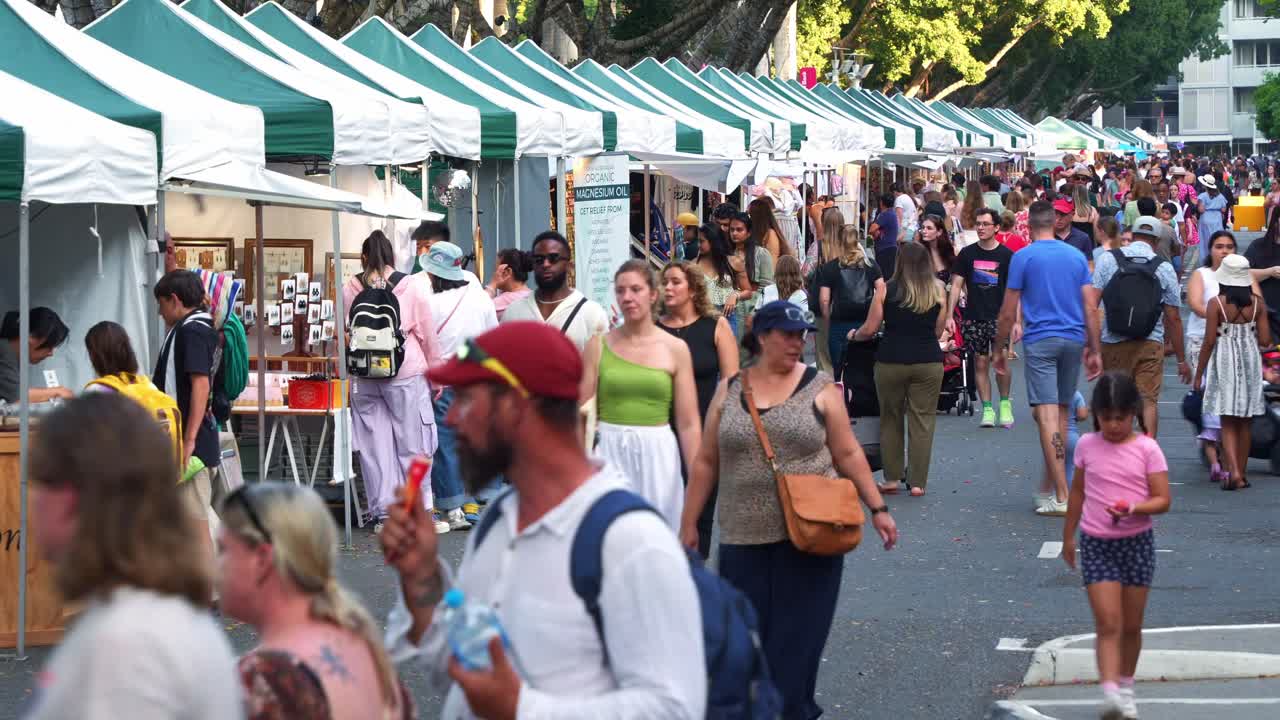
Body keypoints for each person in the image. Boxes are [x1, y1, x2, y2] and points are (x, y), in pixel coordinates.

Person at [379, 322, 706, 719]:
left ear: (516, 405)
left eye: (466, 399)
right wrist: (422, 577)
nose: (451, 420)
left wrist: (523, 709)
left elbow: (675, 708)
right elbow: (461, 671)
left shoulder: (632, 543)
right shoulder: (497, 520)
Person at [680, 301, 898, 719]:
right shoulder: (730, 389)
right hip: (743, 542)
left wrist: (878, 507)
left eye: (802, 335)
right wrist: (690, 522)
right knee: (748, 652)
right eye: (788, 334)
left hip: (811, 540)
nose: (798, 343)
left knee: (795, 655)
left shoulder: (819, 388)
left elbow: (848, 451)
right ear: (762, 337)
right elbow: (707, 460)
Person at [23, 394, 242, 719]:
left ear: (71, 499)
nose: (32, 501)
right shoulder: (147, 617)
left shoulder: (125, 644)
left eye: (38, 484)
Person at [219, 484, 413, 720]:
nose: (213, 564)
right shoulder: (364, 646)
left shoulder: (264, 679)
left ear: (261, 559)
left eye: (223, 550)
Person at [1062, 372, 1171, 720]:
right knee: (1108, 622)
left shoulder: (1146, 449)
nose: (1113, 425)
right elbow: (1078, 491)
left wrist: (1134, 508)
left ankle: (1125, 687)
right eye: (1106, 418)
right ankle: (1109, 693)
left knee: (1131, 626)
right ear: (1096, 414)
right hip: (1096, 543)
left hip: (1137, 543)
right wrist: (1068, 535)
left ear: (1133, 413)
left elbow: (1163, 500)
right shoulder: (1087, 446)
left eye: (1120, 418)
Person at [995, 201, 1103, 517]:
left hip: (1040, 340)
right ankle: (1055, 486)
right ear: (1055, 223)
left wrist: (1000, 349)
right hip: (1072, 338)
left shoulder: (1023, 257)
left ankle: (1062, 492)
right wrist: (1094, 349)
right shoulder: (1075, 256)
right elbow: (1090, 306)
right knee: (1063, 412)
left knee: (1046, 417)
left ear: (1028, 227)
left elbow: (1007, 310)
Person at [580, 260, 702, 529]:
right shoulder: (598, 345)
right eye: (621, 290)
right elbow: (580, 413)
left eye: (635, 289)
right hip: (610, 450)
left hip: (658, 452)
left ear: (653, 294)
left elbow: (689, 424)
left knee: (658, 536)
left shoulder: (675, 348)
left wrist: (696, 485)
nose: (627, 297)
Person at [343, 231, 441, 532]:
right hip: (404, 372)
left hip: (364, 377)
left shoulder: (351, 286)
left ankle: (384, 513)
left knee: (376, 446)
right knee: (413, 443)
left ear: (363, 257)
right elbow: (426, 332)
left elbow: (345, 333)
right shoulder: (409, 285)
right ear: (393, 257)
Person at [852, 242, 947, 497]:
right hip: (928, 360)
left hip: (891, 359)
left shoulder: (886, 290)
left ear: (900, 262)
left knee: (890, 418)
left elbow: (870, 328)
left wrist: (854, 335)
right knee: (923, 420)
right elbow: (939, 330)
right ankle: (917, 482)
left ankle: (892, 478)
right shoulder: (938, 290)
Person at [657, 260, 739, 557]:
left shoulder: (714, 326)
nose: (667, 287)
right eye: (664, 282)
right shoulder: (652, 328)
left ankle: (694, 573)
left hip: (705, 431)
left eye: (675, 282)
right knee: (665, 509)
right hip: (659, 432)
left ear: (692, 289)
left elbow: (730, 383)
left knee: (701, 509)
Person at [1086, 216, 1187, 439]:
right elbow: (1173, 317)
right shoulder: (1164, 268)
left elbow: (1092, 306)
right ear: (1157, 239)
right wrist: (1181, 359)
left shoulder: (1108, 260)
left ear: (1131, 234)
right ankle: (1147, 454)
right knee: (1147, 400)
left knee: (1115, 398)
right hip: (1149, 342)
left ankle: (1113, 454)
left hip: (1113, 341)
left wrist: (1092, 346)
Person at [425, 241, 499, 531]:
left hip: (445, 377)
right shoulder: (480, 297)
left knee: (445, 441)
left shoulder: (430, 303)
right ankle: (476, 499)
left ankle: (453, 506)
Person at [152, 270, 222, 551]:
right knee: (194, 520)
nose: (159, 312)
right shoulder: (204, 327)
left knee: (196, 523)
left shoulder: (191, 330)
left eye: (161, 304)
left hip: (191, 442)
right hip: (199, 436)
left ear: (174, 300)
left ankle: (208, 589)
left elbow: (200, 384)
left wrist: (189, 438)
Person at [1195, 254, 1272, 491]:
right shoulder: (1258, 303)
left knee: (1227, 420)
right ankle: (1242, 472)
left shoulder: (1216, 304)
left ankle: (1234, 473)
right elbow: (1266, 340)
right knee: (1246, 420)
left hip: (1224, 357)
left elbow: (1208, 341)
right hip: (1249, 358)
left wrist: (1199, 374)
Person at [949, 207, 1017, 429]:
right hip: (974, 317)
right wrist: (949, 315)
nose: (980, 227)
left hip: (1000, 318)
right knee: (980, 362)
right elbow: (957, 285)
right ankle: (987, 409)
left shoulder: (1007, 256)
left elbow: (1014, 290)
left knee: (1001, 362)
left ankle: (1005, 404)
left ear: (996, 228)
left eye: (985, 224)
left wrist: (1017, 321)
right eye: (978, 224)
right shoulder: (967, 254)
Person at [1186, 231, 1246, 484]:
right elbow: (1195, 303)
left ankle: (1220, 452)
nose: (1224, 251)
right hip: (1202, 342)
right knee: (1211, 397)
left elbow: (1256, 302)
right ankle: (1215, 450)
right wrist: (1219, 317)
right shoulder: (1202, 275)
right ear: (1210, 250)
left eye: (1229, 247)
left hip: (1233, 342)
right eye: (1219, 246)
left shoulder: (1242, 276)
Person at [500, 230, 609, 351]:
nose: (546, 264)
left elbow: (602, 367)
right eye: (539, 259)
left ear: (570, 266)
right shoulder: (514, 312)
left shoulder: (592, 314)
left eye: (553, 258)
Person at [818, 223, 884, 372]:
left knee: (839, 369)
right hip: (866, 323)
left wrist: (829, 321)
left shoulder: (830, 268)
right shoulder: (871, 265)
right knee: (864, 369)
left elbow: (824, 300)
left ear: (839, 243)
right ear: (857, 241)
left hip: (839, 324)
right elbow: (881, 291)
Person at [0, 307, 71, 404]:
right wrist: (57, 392)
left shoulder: (8, 353)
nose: (51, 353)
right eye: (50, 345)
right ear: (31, 336)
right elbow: (16, 397)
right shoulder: (4, 354)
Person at [694, 222, 752, 337]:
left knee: (728, 353)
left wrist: (735, 295)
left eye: (702, 241)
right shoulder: (694, 264)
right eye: (698, 241)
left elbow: (748, 292)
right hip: (701, 317)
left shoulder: (734, 262)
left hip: (727, 316)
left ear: (713, 241)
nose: (698, 245)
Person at [728, 211, 775, 328]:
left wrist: (755, 312)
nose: (734, 233)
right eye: (732, 230)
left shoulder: (761, 254)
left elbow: (767, 289)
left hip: (753, 309)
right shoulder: (727, 254)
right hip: (730, 309)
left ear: (748, 233)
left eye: (739, 230)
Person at [1243, 210, 1280, 313]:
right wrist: (1270, 272)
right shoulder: (1258, 246)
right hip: (1264, 310)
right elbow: (1242, 273)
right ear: (1276, 222)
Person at [485, 248, 532, 321]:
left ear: (507, 272)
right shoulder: (531, 295)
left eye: (496, 270)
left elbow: (477, 311)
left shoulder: (505, 300)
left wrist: (493, 285)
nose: (494, 274)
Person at [748, 196, 792, 261]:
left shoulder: (770, 235)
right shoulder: (761, 234)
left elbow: (773, 263)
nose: (748, 218)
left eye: (750, 215)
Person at [917, 214, 956, 284]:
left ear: (939, 232)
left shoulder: (948, 251)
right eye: (923, 227)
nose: (924, 231)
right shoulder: (918, 252)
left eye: (929, 228)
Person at [869, 192, 900, 279]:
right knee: (888, 274)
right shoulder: (892, 213)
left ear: (881, 203)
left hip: (885, 248)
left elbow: (871, 229)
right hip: (889, 247)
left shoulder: (885, 214)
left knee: (883, 275)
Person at [1064, 390, 1088, 482]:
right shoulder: (1075, 393)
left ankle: (1055, 492)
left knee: (1053, 467)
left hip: (1052, 436)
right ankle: (1069, 493)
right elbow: (1082, 415)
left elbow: (1037, 415)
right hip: (1071, 436)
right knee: (1070, 467)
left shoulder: (1048, 393)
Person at [1197, 175, 1229, 240]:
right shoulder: (1220, 196)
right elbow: (1223, 209)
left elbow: (1201, 210)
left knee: (1205, 240)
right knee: (1216, 239)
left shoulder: (1202, 196)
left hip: (1205, 218)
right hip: (1217, 219)